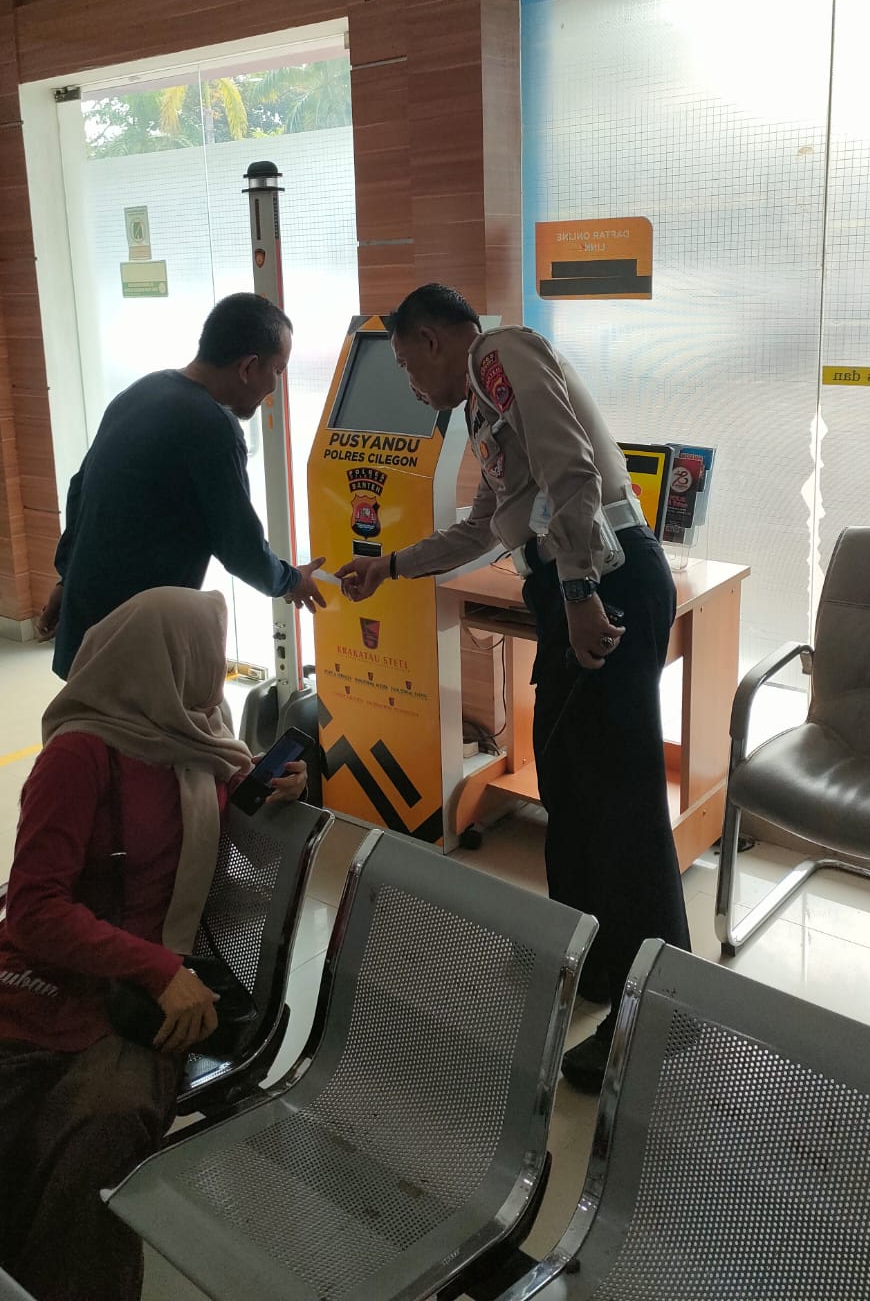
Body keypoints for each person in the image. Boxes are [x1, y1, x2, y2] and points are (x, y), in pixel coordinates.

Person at [337, 284, 691, 1092]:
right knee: (571, 786)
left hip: (606, 582)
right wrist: (391, 565)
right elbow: (485, 523)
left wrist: (580, 592)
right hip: (574, 585)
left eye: (406, 364)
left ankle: (660, 1013)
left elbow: (570, 469)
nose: (410, 385)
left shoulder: (503, 355)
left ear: (434, 339)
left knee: (623, 802)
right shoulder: (480, 404)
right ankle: (597, 961)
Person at [0, 586, 308, 1301]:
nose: (212, 680)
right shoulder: (78, 757)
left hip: (139, 1005)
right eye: (202, 661)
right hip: (57, 983)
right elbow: (34, 911)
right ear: (164, 667)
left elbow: (248, 844)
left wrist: (284, 787)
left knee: (100, 1132)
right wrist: (159, 966)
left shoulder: (197, 746)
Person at [36, 292, 325, 678]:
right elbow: (239, 547)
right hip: (134, 643)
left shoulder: (140, 392)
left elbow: (79, 492)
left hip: (85, 626)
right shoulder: (212, 426)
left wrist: (65, 581)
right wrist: (291, 580)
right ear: (248, 367)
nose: (275, 387)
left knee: (88, 719)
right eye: (278, 369)